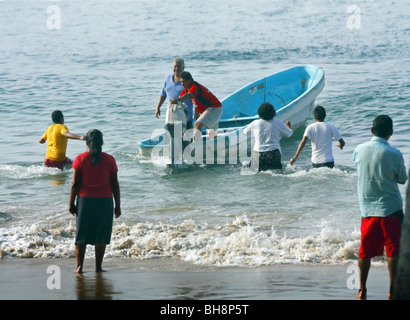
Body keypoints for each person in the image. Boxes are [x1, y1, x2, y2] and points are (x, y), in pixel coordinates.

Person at [353, 115, 408, 300]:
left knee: (365, 252)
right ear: (390, 133)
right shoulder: (394, 153)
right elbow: (402, 179)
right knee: (393, 251)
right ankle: (392, 291)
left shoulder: (359, 149)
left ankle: (362, 290)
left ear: (371, 130)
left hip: (367, 209)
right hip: (391, 209)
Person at [69, 129, 121, 273]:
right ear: (102, 142)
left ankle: (79, 267)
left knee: (82, 235)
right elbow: (115, 184)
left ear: (86, 143)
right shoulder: (110, 159)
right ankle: (98, 267)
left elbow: (75, 184)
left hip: (85, 201)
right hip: (104, 201)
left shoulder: (80, 159)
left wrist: (71, 204)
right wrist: (118, 205)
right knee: (101, 235)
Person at [170, 71, 222, 142]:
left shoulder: (194, 87)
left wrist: (178, 99)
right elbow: (195, 100)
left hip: (214, 109)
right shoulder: (186, 89)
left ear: (190, 80)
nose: (182, 84)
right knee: (212, 133)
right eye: (181, 82)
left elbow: (189, 95)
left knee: (197, 125)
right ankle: (215, 148)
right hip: (210, 110)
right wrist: (196, 113)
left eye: (184, 82)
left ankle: (194, 146)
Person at [243, 102, 293, 171]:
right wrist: (288, 127)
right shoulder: (278, 123)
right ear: (273, 113)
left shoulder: (255, 123)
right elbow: (290, 134)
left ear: (259, 113)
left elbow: (245, 132)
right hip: (273, 154)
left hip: (258, 155)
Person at [155, 57, 194, 129]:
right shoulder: (168, 78)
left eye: (179, 67)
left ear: (183, 68)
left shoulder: (188, 80)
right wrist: (158, 107)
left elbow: (194, 96)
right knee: (171, 133)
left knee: (185, 138)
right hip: (172, 114)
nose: (176, 68)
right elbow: (163, 95)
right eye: (175, 66)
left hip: (185, 114)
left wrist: (197, 113)